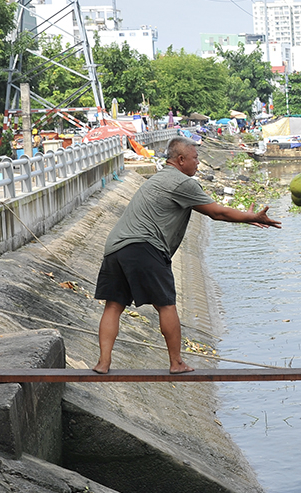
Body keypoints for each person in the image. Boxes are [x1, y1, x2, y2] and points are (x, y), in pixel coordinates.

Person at [93, 136, 280, 374]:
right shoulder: (183, 183)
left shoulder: (158, 178)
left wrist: (246, 216)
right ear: (181, 160)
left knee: (113, 306)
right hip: (144, 246)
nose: (198, 163)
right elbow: (217, 213)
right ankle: (176, 362)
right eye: (195, 158)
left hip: (115, 247)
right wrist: (252, 217)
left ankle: (103, 363)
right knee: (166, 305)